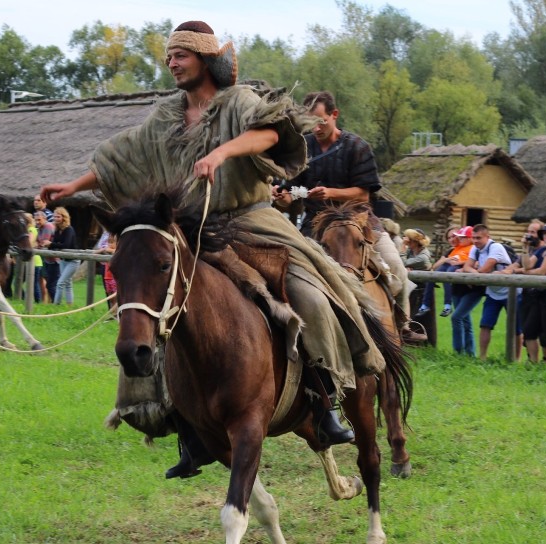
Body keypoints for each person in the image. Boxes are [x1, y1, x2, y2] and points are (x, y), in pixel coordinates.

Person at [40, 21, 386, 478]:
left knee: (311, 293)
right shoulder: (165, 115)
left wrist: (223, 153)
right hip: (190, 230)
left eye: (180, 55)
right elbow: (121, 157)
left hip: (251, 221)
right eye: (169, 57)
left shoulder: (239, 101)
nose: (172, 63)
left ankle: (324, 399)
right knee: (154, 310)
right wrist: (72, 186)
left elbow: (270, 135)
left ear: (204, 58)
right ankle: (179, 421)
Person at [273, 90, 426, 345]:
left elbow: (364, 194)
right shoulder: (303, 148)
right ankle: (289, 327)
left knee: (395, 264)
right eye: (311, 122)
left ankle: (403, 325)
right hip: (316, 225)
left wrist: (330, 192)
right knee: (287, 269)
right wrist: (283, 197)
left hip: (360, 221)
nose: (317, 127)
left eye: (321, 120)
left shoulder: (357, 146)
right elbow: (292, 194)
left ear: (334, 115)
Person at [508, 221, 546, 364]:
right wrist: (525, 248)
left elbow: (542, 271)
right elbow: (527, 264)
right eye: (545, 232)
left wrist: (526, 272)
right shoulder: (542, 250)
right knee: (530, 330)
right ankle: (534, 363)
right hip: (543, 294)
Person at [459, 224, 517, 361]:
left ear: (487, 237)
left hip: (511, 292)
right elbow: (467, 266)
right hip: (492, 292)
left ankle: (515, 359)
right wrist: (475, 274)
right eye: (473, 238)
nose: (475, 241)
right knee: (485, 325)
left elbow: (486, 268)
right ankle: (483, 358)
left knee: (516, 326)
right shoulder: (475, 248)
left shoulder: (495, 247)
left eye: (479, 238)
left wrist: (474, 274)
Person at [418, 226, 471, 318]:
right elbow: (434, 267)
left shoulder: (470, 247)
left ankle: (447, 305)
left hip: (461, 282)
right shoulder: (453, 249)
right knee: (433, 275)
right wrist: (447, 259)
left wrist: (458, 263)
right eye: (449, 238)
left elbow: (472, 260)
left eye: (454, 236)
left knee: (462, 317)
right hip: (452, 273)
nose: (451, 239)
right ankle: (425, 304)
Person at [50, 207, 80, 306]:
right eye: (55, 216)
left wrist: (50, 244)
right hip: (63, 259)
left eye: (58, 216)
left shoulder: (69, 229)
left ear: (64, 217)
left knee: (60, 283)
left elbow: (66, 245)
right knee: (67, 283)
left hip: (73, 260)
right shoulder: (57, 230)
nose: (56, 218)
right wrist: (50, 245)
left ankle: (56, 305)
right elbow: (55, 243)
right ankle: (69, 305)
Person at [34, 211, 58, 303]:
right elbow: (37, 242)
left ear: (45, 219)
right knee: (47, 282)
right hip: (46, 258)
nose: (37, 222)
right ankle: (48, 302)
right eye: (36, 220)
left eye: (39, 220)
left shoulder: (47, 226)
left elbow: (44, 242)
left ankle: (54, 303)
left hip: (54, 259)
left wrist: (38, 244)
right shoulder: (39, 228)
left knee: (51, 284)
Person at [24, 213, 43, 303]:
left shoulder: (31, 230)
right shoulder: (29, 230)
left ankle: (37, 301)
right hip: (33, 261)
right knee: (31, 283)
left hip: (35, 261)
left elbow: (30, 243)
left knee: (34, 283)